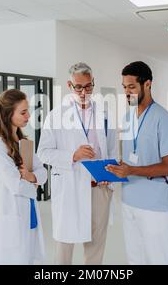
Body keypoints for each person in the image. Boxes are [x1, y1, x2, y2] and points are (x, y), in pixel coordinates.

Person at [37, 62, 118, 265]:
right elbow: (43, 153)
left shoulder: (105, 114)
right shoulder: (56, 116)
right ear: (69, 85)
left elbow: (113, 150)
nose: (84, 92)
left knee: (96, 246)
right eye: (78, 87)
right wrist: (72, 155)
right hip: (70, 188)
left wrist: (110, 177)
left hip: (99, 188)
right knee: (64, 245)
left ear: (93, 83)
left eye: (88, 86)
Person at [106, 61, 168, 265]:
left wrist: (132, 169)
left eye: (131, 86)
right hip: (129, 200)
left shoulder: (164, 119)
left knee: (159, 259)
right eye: (124, 87)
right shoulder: (128, 116)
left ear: (147, 84)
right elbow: (133, 153)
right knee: (135, 258)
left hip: (154, 204)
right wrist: (115, 169)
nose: (127, 92)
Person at [0, 89, 47, 265]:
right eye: (23, 112)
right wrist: (34, 184)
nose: (28, 116)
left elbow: (43, 173)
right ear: (8, 114)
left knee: (26, 259)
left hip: (28, 213)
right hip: (9, 213)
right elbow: (16, 185)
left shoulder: (24, 142)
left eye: (28, 110)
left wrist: (31, 176)